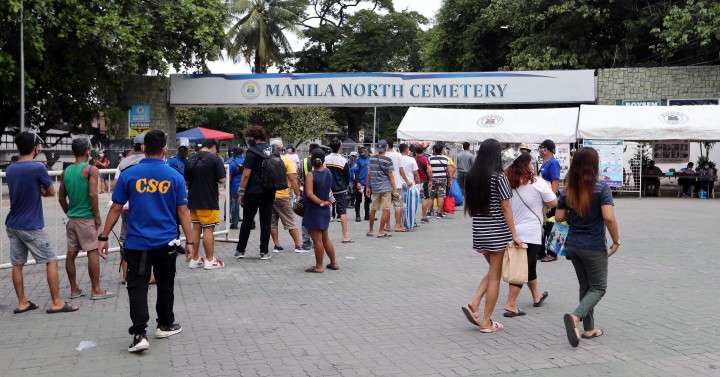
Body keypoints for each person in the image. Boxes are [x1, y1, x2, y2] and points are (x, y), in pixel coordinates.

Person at [98, 130, 194, 353]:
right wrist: (190, 242)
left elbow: (116, 208)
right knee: (165, 283)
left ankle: (139, 334)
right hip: (166, 242)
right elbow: (183, 212)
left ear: (142, 148)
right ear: (165, 150)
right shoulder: (175, 177)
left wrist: (103, 237)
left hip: (137, 242)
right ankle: (165, 324)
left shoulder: (130, 174)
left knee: (137, 286)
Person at [6, 132, 79, 314]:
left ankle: (22, 302)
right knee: (51, 260)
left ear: (18, 148)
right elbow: (51, 191)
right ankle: (56, 302)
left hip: (12, 223)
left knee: (17, 264)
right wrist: (40, 190)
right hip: (31, 224)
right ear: (35, 148)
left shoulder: (10, 169)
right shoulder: (37, 168)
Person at [555, 147, 620, 347]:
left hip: (573, 245)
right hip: (593, 246)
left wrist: (572, 212)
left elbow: (558, 217)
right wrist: (616, 240)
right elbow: (608, 217)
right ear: (595, 164)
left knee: (586, 286)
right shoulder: (601, 188)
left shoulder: (568, 189)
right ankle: (576, 317)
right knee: (599, 288)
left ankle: (590, 329)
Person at [460, 138, 522, 333]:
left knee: (494, 270)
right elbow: (506, 207)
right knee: (496, 276)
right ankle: (486, 322)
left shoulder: (472, 176)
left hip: (479, 231)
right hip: (497, 232)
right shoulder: (498, 177)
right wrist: (515, 234)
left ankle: (475, 302)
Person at [501, 154, 557, 317]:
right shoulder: (537, 182)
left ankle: (536, 296)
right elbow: (554, 202)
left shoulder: (508, 182)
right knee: (522, 268)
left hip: (513, 231)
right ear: (525, 165)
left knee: (529, 265)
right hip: (531, 233)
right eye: (530, 163)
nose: (533, 165)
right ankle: (510, 304)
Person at [58, 138, 114, 300]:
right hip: (87, 218)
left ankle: (74, 289)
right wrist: (97, 216)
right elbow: (92, 194)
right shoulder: (91, 170)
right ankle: (96, 290)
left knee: (71, 254)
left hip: (72, 219)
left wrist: (69, 212)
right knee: (93, 252)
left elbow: (61, 197)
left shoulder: (66, 171)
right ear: (88, 151)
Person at [185, 138, 226, 270]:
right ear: (213, 147)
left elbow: (187, 181)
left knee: (196, 228)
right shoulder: (215, 159)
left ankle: (195, 259)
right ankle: (209, 260)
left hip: (193, 199)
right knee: (208, 228)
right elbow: (222, 179)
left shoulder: (190, 160)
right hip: (208, 200)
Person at [236, 125, 276, 260]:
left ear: (253, 138)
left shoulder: (251, 152)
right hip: (269, 191)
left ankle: (240, 250)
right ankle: (264, 251)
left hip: (253, 192)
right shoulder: (274, 150)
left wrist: (241, 192)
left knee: (247, 221)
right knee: (265, 222)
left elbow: (246, 175)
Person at [302, 148, 340, 273]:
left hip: (314, 210)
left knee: (317, 240)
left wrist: (321, 203)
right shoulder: (328, 172)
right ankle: (333, 263)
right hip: (325, 210)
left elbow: (309, 194)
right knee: (325, 238)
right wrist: (325, 202)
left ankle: (319, 266)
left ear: (311, 160)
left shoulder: (311, 175)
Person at [269, 140, 309, 253]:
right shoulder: (287, 160)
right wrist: (297, 193)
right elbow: (292, 178)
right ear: (282, 148)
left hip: (269, 196)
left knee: (272, 222)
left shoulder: (267, 160)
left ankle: (277, 245)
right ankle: (298, 245)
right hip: (283, 195)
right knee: (290, 221)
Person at [119, 134, 148, 284]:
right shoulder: (148, 162)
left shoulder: (123, 163)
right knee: (149, 239)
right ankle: (150, 276)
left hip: (126, 207)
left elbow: (118, 185)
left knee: (125, 240)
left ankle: (125, 275)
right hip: (145, 207)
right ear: (144, 147)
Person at [365, 140, 398, 238]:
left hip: (374, 187)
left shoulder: (371, 159)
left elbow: (369, 173)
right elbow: (391, 176)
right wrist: (395, 190)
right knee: (386, 209)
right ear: (386, 148)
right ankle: (380, 232)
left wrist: (367, 186)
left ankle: (370, 230)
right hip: (386, 187)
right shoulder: (388, 160)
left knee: (373, 209)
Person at [325, 139, 354, 243]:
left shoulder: (325, 159)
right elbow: (347, 177)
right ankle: (345, 236)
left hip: (327, 190)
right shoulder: (343, 160)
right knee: (342, 212)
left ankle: (324, 236)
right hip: (340, 189)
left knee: (325, 211)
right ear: (340, 147)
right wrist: (344, 186)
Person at [539, 139, 561, 262]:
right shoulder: (544, 163)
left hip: (550, 200)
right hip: (543, 200)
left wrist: (551, 199)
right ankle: (540, 252)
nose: (540, 151)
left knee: (551, 226)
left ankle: (552, 253)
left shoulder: (553, 163)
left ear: (548, 150)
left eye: (542, 148)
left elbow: (555, 181)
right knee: (543, 225)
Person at [298, 143, 320, 248]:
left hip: (305, 193)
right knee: (317, 216)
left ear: (309, 151)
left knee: (306, 216)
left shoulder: (303, 162)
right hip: (318, 194)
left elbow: (298, 177)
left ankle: (306, 240)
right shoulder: (322, 163)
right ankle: (317, 239)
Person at [385, 140, 410, 232]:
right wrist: (407, 181)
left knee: (386, 206)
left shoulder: (383, 155)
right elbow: (401, 170)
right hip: (397, 184)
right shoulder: (398, 155)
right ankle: (397, 225)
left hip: (386, 184)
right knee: (398, 205)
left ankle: (387, 226)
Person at [399, 143, 421, 228]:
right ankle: (412, 220)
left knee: (402, 204)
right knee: (412, 203)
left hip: (399, 184)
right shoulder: (411, 160)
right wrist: (419, 184)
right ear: (406, 150)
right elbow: (416, 173)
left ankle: (400, 221)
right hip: (410, 184)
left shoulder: (398, 159)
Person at [429, 144, 451, 219]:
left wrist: (430, 180)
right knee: (441, 196)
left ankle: (429, 212)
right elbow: (449, 170)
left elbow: (428, 170)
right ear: (442, 150)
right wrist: (450, 180)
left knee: (431, 196)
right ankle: (439, 213)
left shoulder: (430, 158)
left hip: (433, 179)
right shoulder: (445, 158)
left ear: (434, 150)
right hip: (443, 179)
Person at [227, 147, 245, 229]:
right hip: (245, 186)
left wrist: (226, 186)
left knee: (235, 205)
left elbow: (229, 177)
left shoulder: (230, 162)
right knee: (247, 204)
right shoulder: (246, 161)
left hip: (234, 187)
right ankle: (249, 222)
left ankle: (234, 223)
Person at [414, 145, 433, 224]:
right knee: (424, 198)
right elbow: (429, 171)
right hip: (424, 181)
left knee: (414, 199)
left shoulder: (413, 160)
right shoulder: (426, 160)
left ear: (415, 151)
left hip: (414, 181)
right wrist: (431, 180)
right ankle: (423, 217)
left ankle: (412, 218)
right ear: (423, 151)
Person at [353, 146, 372, 222]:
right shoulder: (357, 161)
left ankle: (367, 215)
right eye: (361, 151)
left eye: (364, 150)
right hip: (360, 184)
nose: (363, 152)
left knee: (368, 200)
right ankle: (357, 215)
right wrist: (357, 182)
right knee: (358, 200)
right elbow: (356, 172)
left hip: (368, 184)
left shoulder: (369, 160)